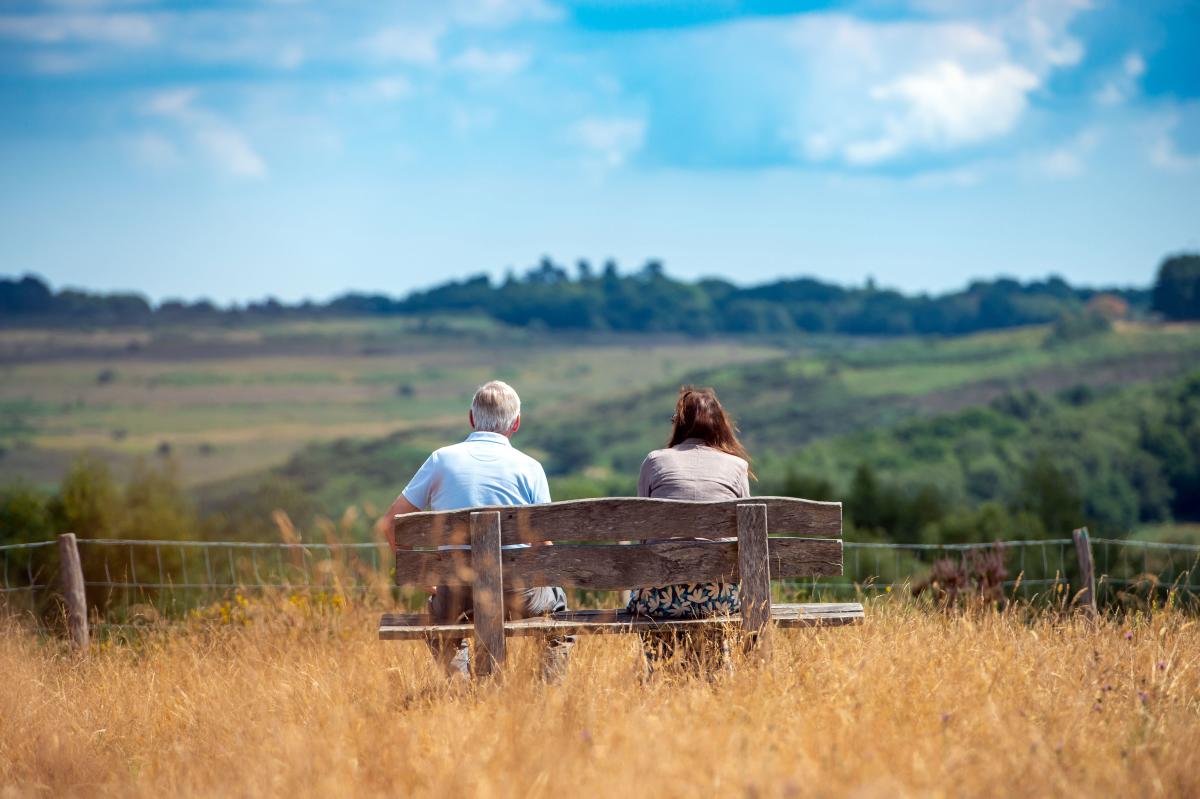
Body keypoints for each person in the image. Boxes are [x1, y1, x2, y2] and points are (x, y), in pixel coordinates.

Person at [383, 380, 572, 681]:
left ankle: (461, 690)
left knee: (441, 617)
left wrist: (420, 575)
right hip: (518, 595)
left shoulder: (440, 460)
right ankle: (545, 695)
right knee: (559, 616)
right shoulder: (530, 467)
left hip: (456, 593)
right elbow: (544, 543)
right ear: (517, 423)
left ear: (471, 418)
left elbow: (390, 523)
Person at [626, 385, 754, 675]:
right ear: (720, 425)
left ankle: (663, 673)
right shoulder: (737, 467)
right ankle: (713, 674)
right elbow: (744, 538)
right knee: (714, 600)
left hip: (659, 598)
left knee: (656, 590)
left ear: (679, 425)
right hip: (718, 599)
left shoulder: (655, 461)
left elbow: (643, 534)